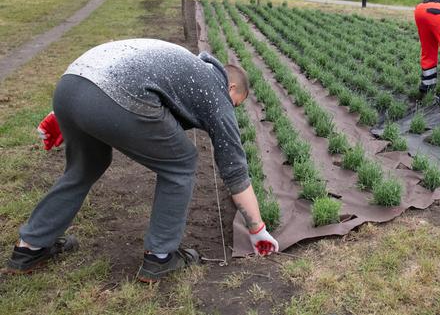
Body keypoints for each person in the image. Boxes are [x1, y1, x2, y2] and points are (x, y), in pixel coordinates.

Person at [5, 39, 278, 282]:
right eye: (236, 103)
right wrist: (257, 228)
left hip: (71, 86)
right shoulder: (215, 91)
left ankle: (30, 247)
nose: (231, 110)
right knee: (181, 162)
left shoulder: (184, 63)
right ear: (231, 86)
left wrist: (67, 111)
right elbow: (234, 168)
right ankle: (160, 257)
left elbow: (118, 69)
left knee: (85, 166)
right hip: (104, 93)